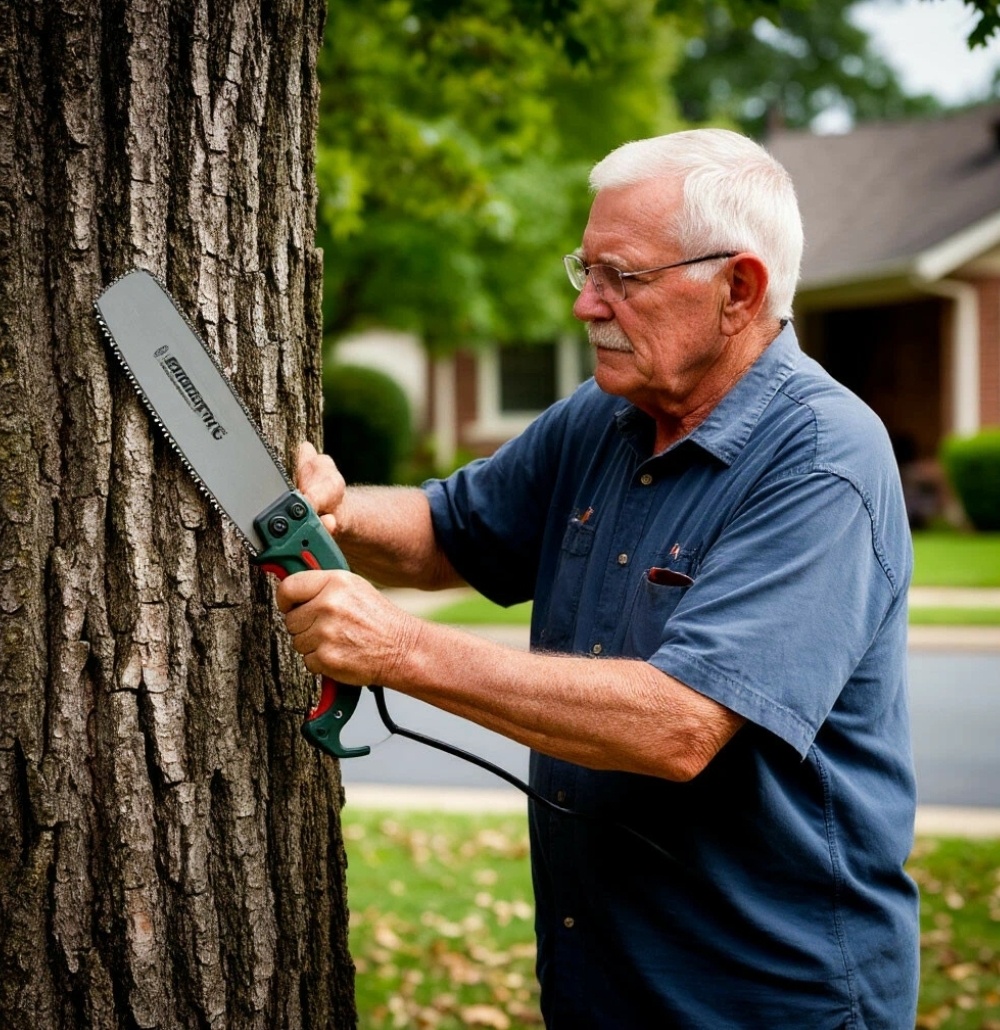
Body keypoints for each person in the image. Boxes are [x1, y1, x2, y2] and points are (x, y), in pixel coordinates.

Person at [277, 128, 919, 1028]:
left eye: (623, 277)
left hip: (768, 998)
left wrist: (401, 650)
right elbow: (451, 531)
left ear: (739, 288)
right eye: (585, 269)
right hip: (601, 987)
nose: (587, 305)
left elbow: (680, 725)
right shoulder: (606, 415)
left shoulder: (823, 462)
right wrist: (327, 515)